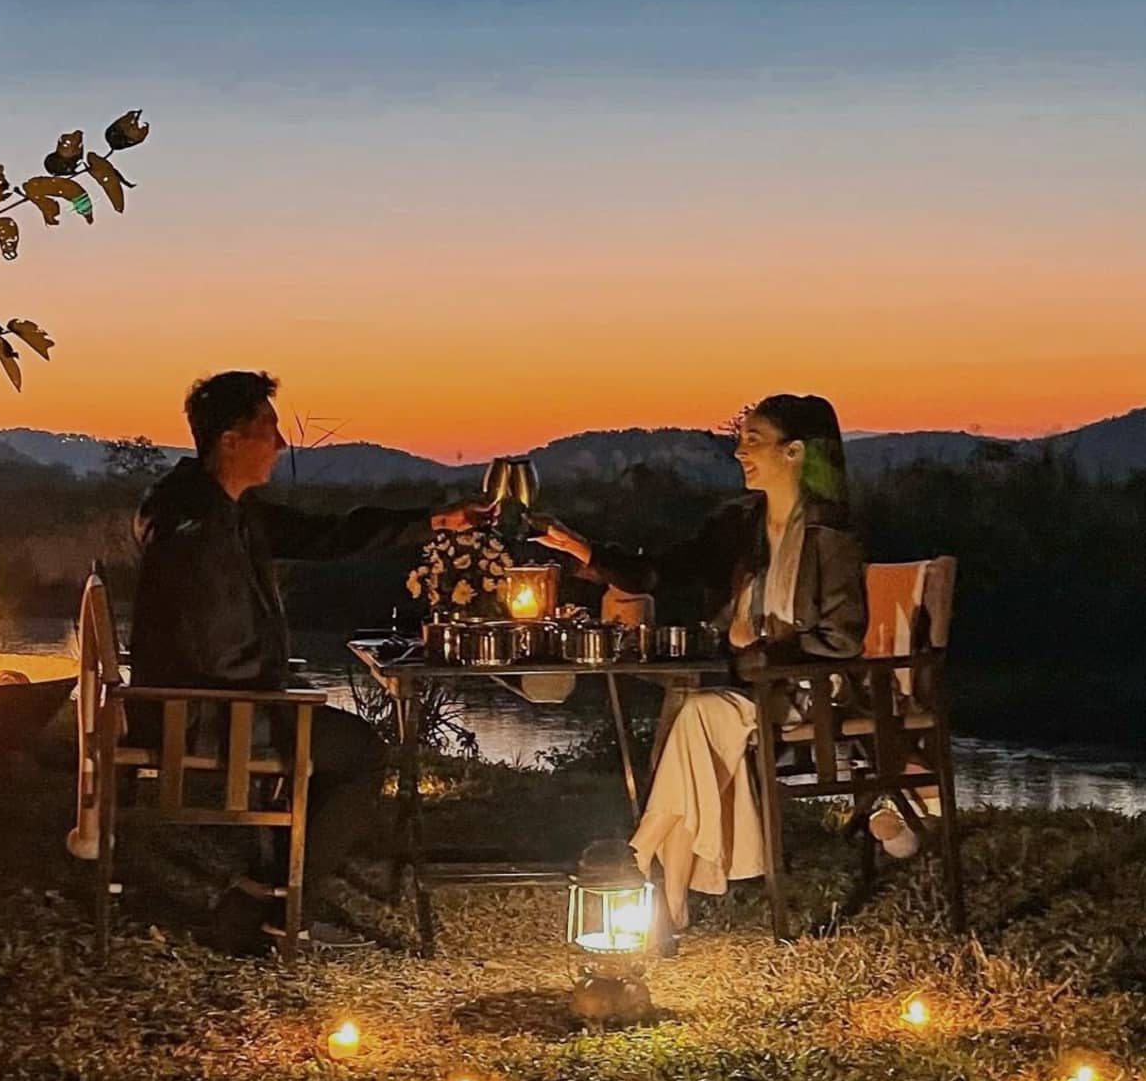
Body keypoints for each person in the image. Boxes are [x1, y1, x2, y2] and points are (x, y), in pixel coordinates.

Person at [130, 370, 493, 953]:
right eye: (268, 428)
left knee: (328, 743)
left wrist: (434, 519)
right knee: (360, 755)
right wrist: (288, 694)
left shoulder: (214, 505)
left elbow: (325, 535)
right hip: (204, 714)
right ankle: (282, 913)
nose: (280, 443)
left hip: (202, 701)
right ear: (230, 439)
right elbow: (214, 653)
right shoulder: (201, 537)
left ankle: (256, 899)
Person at [533, 394, 871, 929]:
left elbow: (843, 638)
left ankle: (643, 863)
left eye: (753, 439)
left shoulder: (830, 537)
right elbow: (660, 571)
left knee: (694, 718)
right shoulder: (739, 526)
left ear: (795, 452)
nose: (739, 451)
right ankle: (667, 901)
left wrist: (759, 651)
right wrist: (587, 554)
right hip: (746, 690)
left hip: (806, 692)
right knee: (696, 723)